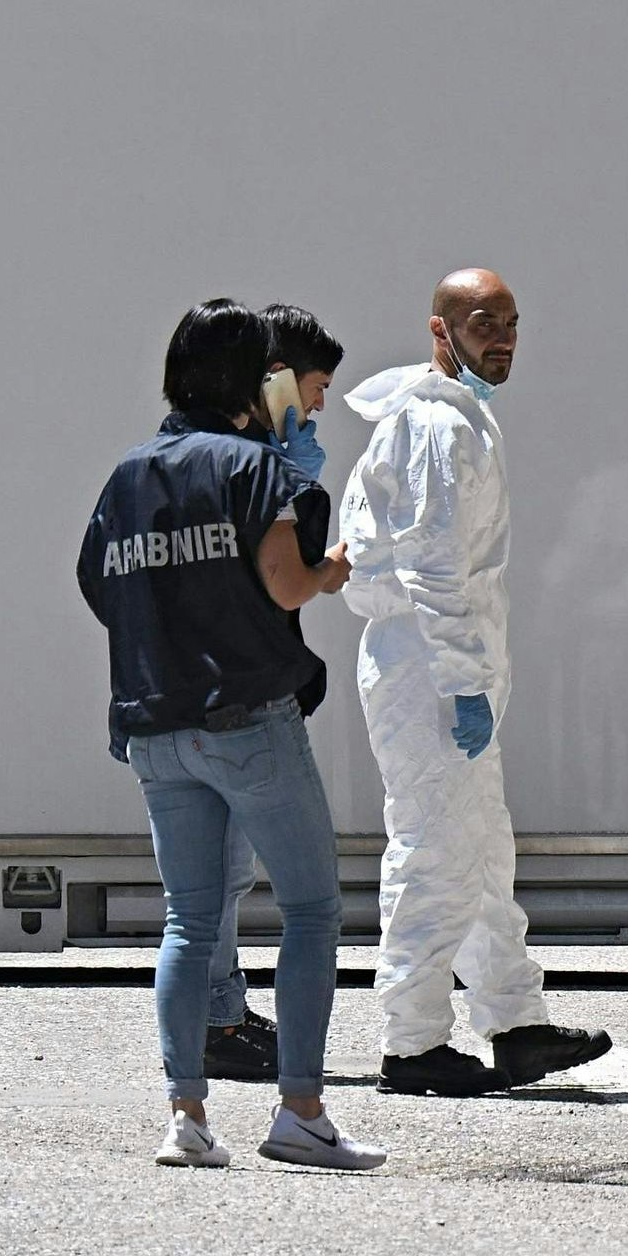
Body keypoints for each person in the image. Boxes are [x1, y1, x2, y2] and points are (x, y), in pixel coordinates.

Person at [78, 301, 382, 1171]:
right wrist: (332, 569)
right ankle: (302, 1114)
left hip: (155, 724)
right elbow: (287, 587)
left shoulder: (128, 475)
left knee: (189, 918)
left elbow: (100, 585)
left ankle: (186, 1116)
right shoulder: (255, 466)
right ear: (261, 382)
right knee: (313, 911)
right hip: (246, 720)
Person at [339, 268, 610, 1097]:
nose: (503, 338)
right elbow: (432, 567)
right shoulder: (437, 429)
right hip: (428, 665)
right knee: (435, 850)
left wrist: (472, 677)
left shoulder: (460, 420)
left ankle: (514, 1023)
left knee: (481, 850)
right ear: (440, 331)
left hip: (445, 665)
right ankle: (413, 1041)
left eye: (513, 324)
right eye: (485, 322)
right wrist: (460, 680)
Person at [195, 302, 346, 1091]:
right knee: (284, 894)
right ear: (277, 380)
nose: (319, 406)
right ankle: (219, 1029)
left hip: (195, 692)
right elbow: (285, 583)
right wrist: (322, 556)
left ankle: (217, 1017)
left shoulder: (204, 456)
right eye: (314, 387)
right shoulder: (252, 466)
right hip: (242, 693)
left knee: (214, 878)